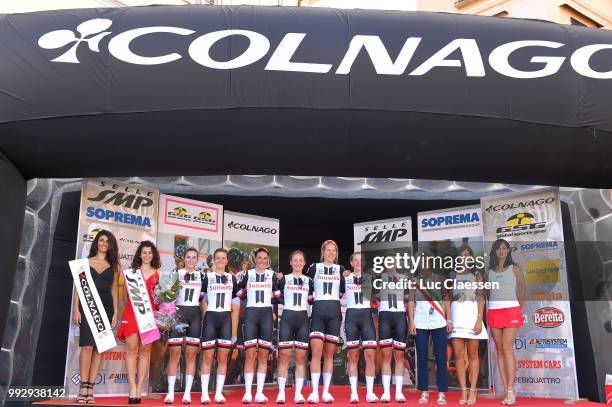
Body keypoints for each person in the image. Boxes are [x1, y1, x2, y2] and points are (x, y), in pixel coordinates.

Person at [72, 230, 120, 404]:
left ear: (110, 245)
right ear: (96, 242)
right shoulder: (84, 263)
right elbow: (78, 287)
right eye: (101, 240)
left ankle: (90, 389)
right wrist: (76, 310)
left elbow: (114, 290)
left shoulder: (114, 266)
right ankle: (82, 387)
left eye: (107, 241)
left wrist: (115, 312)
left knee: (99, 348)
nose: (104, 244)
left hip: (106, 309)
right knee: (86, 347)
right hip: (88, 307)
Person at [117, 241, 161, 404]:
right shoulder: (131, 273)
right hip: (132, 314)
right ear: (139, 254)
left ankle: (140, 387)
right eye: (144, 252)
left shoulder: (159, 273)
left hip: (149, 317)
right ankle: (132, 388)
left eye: (150, 253)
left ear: (154, 255)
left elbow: (161, 299)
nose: (147, 255)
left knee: (144, 352)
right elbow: (124, 297)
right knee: (131, 350)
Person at [235, 247, 281, 404]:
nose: (262, 260)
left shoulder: (272, 275)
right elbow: (239, 294)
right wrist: (245, 286)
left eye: (264, 258)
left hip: (267, 317)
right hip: (250, 316)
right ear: (254, 259)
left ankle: (259, 393)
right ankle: (247, 392)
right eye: (259, 257)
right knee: (249, 355)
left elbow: (278, 297)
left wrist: (280, 281)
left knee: (263, 355)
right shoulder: (248, 274)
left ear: (268, 260)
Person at [485, 239, 525, 406]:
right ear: (494, 251)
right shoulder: (489, 272)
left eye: (504, 248)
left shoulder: (515, 268)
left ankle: (511, 389)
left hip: (511, 311)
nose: (501, 251)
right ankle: (505, 389)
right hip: (494, 311)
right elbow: (487, 293)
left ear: (508, 250)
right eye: (498, 248)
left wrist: (517, 310)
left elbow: (522, 291)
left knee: (508, 349)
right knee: (499, 349)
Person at [408, 254, 452, 405]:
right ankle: (424, 392)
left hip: (439, 321)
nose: (424, 264)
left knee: (441, 357)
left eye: (427, 262)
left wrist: (449, 319)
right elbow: (410, 302)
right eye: (421, 262)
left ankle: (442, 393)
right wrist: (411, 322)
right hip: (420, 322)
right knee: (421, 357)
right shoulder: (414, 281)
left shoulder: (440, 279)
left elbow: (446, 299)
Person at [306, 240, 345, 404]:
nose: (330, 253)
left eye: (333, 251)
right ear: (323, 252)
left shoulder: (341, 269)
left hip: (335, 313)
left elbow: (342, 292)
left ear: (336, 253)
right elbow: (306, 285)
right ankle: (314, 391)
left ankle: (326, 392)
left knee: (329, 354)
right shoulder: (314, 267)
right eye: (328, 250)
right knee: (316, 353)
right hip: (318, 313)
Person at [449, 246, 488, 405]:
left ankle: (473, 389)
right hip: (456, 317)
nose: (464, 257)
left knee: (473, 354)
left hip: (472, 317)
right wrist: (449, 319)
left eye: (467, 255)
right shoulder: (451, 275)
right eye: (461, 255)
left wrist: (479, 319)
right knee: (458, 355)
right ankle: (463, 390)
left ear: (471, 258)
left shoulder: (477, 275)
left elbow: (481, 298)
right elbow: (447, 299)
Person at [199, 248, 239, 404]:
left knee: (223, 359)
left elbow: (236, 307)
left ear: (227, 261)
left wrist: (234, 333)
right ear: (214, 260)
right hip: (210, 318)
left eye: (224, 258)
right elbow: (202, 301)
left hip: (225, 320)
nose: (221, 260)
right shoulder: (207, 277)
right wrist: (204, 319)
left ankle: (218, 393)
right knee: (207, 357)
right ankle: (204, 393)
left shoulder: (232, 279)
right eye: (218, 258)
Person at [165, 247, 203, 404]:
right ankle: (171, 392)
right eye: (188, 257)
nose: (191, 260)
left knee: (191, 354)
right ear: (184, 258)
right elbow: (166, 297)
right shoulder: (175, 274)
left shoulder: (203, 276)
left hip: (194, 314)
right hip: (178, 315)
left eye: (194, 257)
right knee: (174, 353)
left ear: (197, 259)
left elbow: (204, 298)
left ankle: (187, 393)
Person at [275, 250, 313, 404]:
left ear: (304, 263)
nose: (298, 263)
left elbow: (311, 300)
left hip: (303, 319)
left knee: (301, 358)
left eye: (300, 261)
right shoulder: (284, 279)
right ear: (290, 263)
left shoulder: (309, 280)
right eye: (295, 260)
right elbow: (277, 298)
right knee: (283, 357)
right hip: (287, 319)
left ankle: (298, 393)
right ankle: (281, 393)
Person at [341, 252, 378, 403]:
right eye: (355, 260)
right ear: (351, 262)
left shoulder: (371, 278)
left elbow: (376, 300)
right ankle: (354, 392)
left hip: (367, 318)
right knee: (353, 356)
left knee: (370, 355)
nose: (358, 263)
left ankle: (370, 392)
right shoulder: (345, 277)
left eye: (360, 260)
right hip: (351, 318)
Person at [375, 256, 409, 403]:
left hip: (400, 317)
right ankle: (386, 392)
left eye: (393, 261)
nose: (390, 264)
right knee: (386, 357)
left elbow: (408, 299)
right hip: (385, 318)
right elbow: (373, 297)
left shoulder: (404, 278)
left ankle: (399, 392)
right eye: (387, 261)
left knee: (399, 357)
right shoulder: (379, 278)